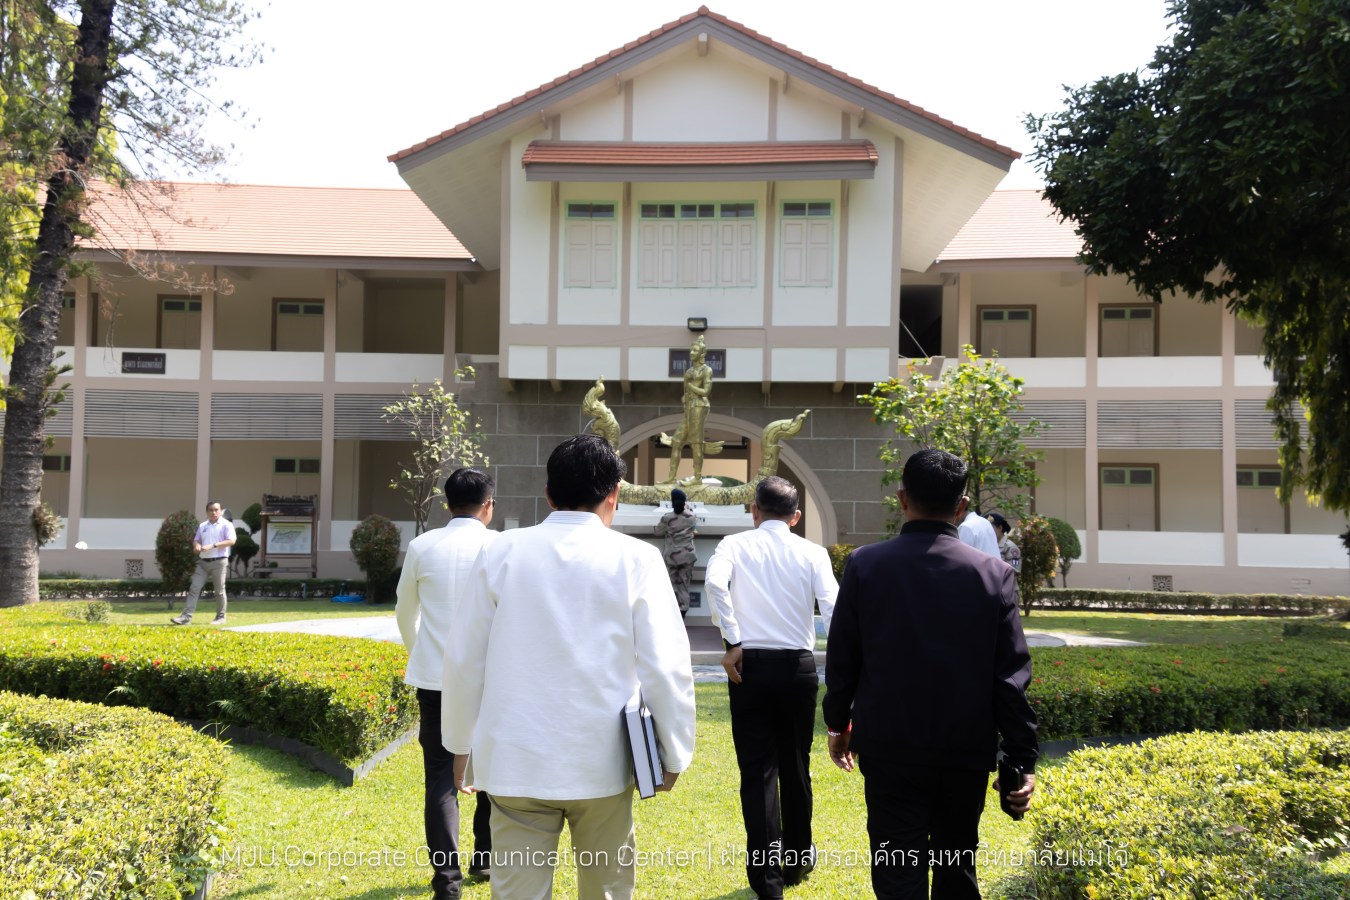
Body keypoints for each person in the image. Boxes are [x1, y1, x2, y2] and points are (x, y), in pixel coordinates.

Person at [443, 434, 696, 900]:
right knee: (606, 891)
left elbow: (463, 660)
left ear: (549, 494)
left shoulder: (499, 551)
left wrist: (460, 745)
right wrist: (674, 750)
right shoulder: (637, 558)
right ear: (614, 494)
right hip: (602, 761)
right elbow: (667, 666)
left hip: (515, 759)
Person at [822, 449, 1038, 899]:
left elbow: (844, 656)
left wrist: (838, 723)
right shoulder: (993, 573)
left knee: (897, 868)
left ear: (902, 498)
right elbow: (1010, 675)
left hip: (888, 747)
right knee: (956, 866)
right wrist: (1021, 756)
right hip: (964, 749)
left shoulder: (865, 565)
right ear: (962, 507)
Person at [704, 476, 839, 900]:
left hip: (750, 666)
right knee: (796, 763)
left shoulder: (733, 545)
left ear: (754, 510)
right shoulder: (813, 552)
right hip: (798, 667)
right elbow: (833, 606)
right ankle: (798, 859)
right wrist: (839, 663)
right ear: (796, 517)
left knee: (759, 772)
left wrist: (733, 638)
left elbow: (713, 584)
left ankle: (767, 880)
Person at [395, 469, 498, 899]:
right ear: (489, 505)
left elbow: (405, 610)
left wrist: (422, 651)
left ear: (446, 503)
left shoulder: (421, 546)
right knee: (491, 768)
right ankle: (487, 858)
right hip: (492, 677)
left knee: (439, 777)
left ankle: (446, 881)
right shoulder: (500, 546)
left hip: (435, 678)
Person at [170, 501, 236, 625]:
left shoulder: (226, 525)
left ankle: (220, 617)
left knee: (219, 591)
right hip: (203, 563)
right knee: (194, 588)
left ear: (220, 511)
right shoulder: (203, 526)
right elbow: (196, 540)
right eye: (211, 510)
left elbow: (231, 541)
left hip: (219, 561)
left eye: (216, 510)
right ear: (207, 512)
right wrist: (197, 546)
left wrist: (213, 545)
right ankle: (185, 617)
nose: (214, 512)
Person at [664, 335, 715, 483]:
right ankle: (671, 477)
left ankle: (697, 477)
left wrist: (692, 387)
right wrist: (685, 398)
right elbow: (685, 394)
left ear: (702, 354)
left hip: (700, 406)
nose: (691, 353)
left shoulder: (707, 370)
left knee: (696, 441)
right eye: (691, 350)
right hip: (690, 407)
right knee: (677, 441)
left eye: (695, 350)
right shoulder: (688, 372)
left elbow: (706, 391)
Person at [654, 487, 698, 617]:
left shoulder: (667, 518)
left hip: (671, 557)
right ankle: (683, 612)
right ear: (684, 502)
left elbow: (657, 532)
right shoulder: (692, 516)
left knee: (670, 585)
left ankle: (671, 614)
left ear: (672, 502)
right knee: (684, 585)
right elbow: (693, 525)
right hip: (687, 556)